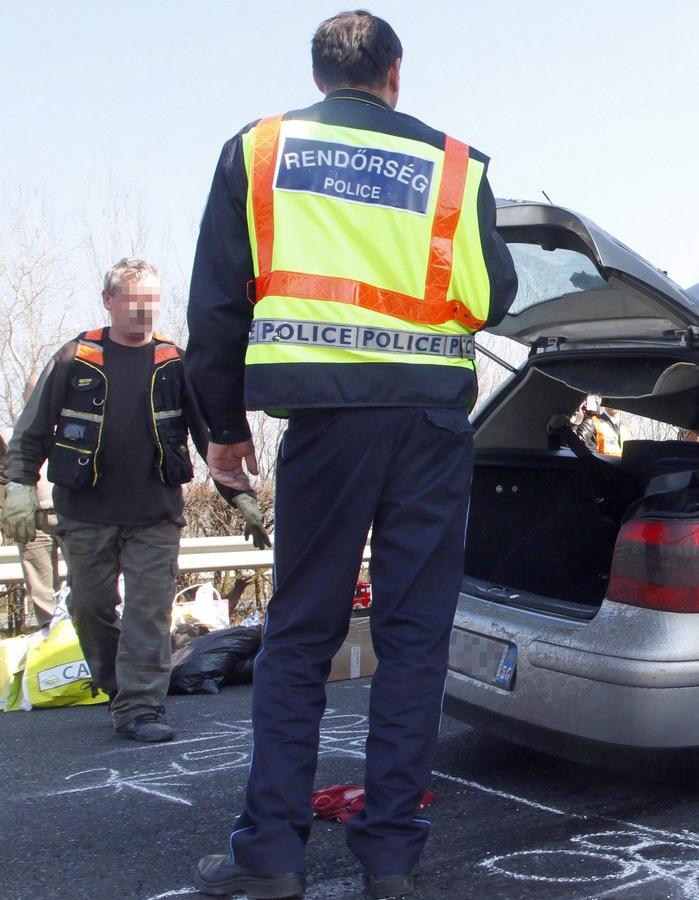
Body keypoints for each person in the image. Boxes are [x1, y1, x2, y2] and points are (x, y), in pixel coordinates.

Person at [185, 11, 516, 899]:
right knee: (413, 642)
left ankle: (271, 856)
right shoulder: (454, 164)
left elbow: (216, 310)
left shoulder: (257, 152)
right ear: (395, 74)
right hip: (430, 428)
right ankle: (392, 858)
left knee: (298, 638)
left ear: (321, 75)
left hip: (328, 426)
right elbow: (494, 295)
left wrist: (222, 431)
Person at [0, 258, 269, 741]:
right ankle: (119, 689)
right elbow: (33, 429)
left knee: (148, 610)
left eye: (151, 300)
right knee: (90, 607)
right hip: (85, 514)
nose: (143, 310)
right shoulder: (75, 357)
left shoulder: (174, 361)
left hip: (155, 516)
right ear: (109, 300)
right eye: (132, 299)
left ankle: (140, 709)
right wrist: (19, 484)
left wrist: (239, 495)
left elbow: (212, 438)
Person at [5, 377, 64, 633]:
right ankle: (49, 634)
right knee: (40, 587)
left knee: (89, 584)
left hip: (74, 513)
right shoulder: (11, 435)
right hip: (32, 518)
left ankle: (85, 635)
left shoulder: (74, 428)